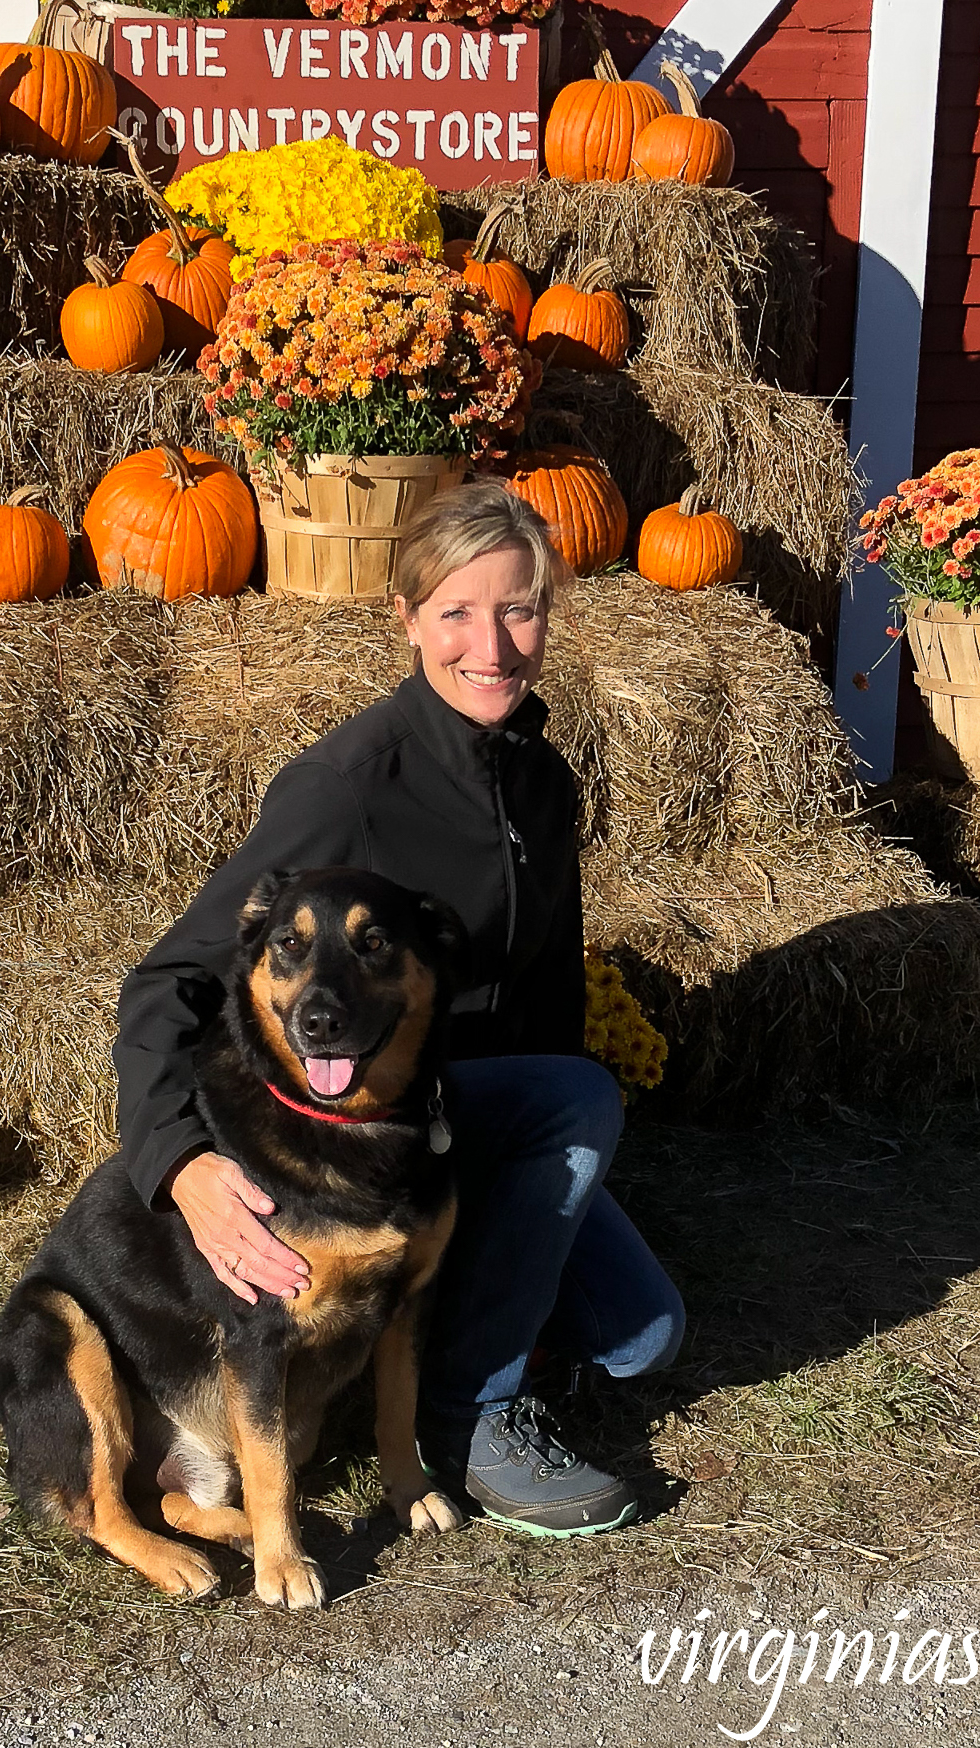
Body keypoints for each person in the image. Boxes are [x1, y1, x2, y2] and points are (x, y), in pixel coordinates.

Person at [112, 483, 684, 1536]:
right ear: (407, 618)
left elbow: (549, 988)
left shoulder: (542, 781)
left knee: (642, 1337)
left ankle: (449, 1290)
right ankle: (464, 1414)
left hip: (458, 1129)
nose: (492, 645)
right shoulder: (348, 785)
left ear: (547, 615)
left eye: (517, 609)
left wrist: (540, 1185)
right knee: (572, 1097)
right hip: (359, 1125)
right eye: (457, 613)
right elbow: (171, 980)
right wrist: (178, 1165)